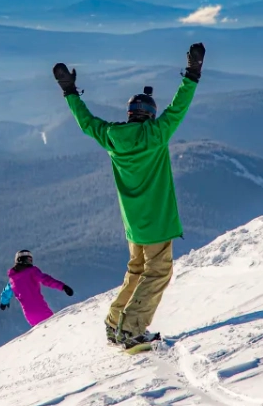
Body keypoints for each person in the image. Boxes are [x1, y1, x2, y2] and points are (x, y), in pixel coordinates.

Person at [52, 42, 205, 349]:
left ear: (130, 114)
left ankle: (114, 323)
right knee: (158, 272)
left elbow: (86, 123)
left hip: (133, 225)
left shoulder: (111, 137)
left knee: (137, 270)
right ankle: (132, 329)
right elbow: (179, 107)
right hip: (157, 223)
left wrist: (70, 91)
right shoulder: (156, 135)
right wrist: (192, 73)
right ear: (150, 115)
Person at [0, 249, 74, 327]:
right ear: (21, 260)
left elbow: (6, 292)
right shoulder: (32, 271)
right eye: (28, 259)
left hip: (29, 315)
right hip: (42, 310)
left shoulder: (12, 279)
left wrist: (3, 302)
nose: (30, 261)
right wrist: (63, 286)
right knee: (55, 328)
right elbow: (46, 279)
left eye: (30, 259)